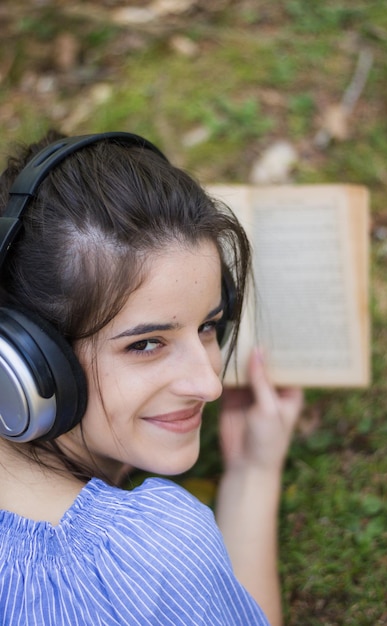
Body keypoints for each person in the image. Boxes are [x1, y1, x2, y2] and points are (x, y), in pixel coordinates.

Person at [0, 130, 303, 626]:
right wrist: (257, 474)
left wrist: (253, 464)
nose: (210, 385)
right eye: (146, 344)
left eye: (208, 326)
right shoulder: (157, 551)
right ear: (29, 358)